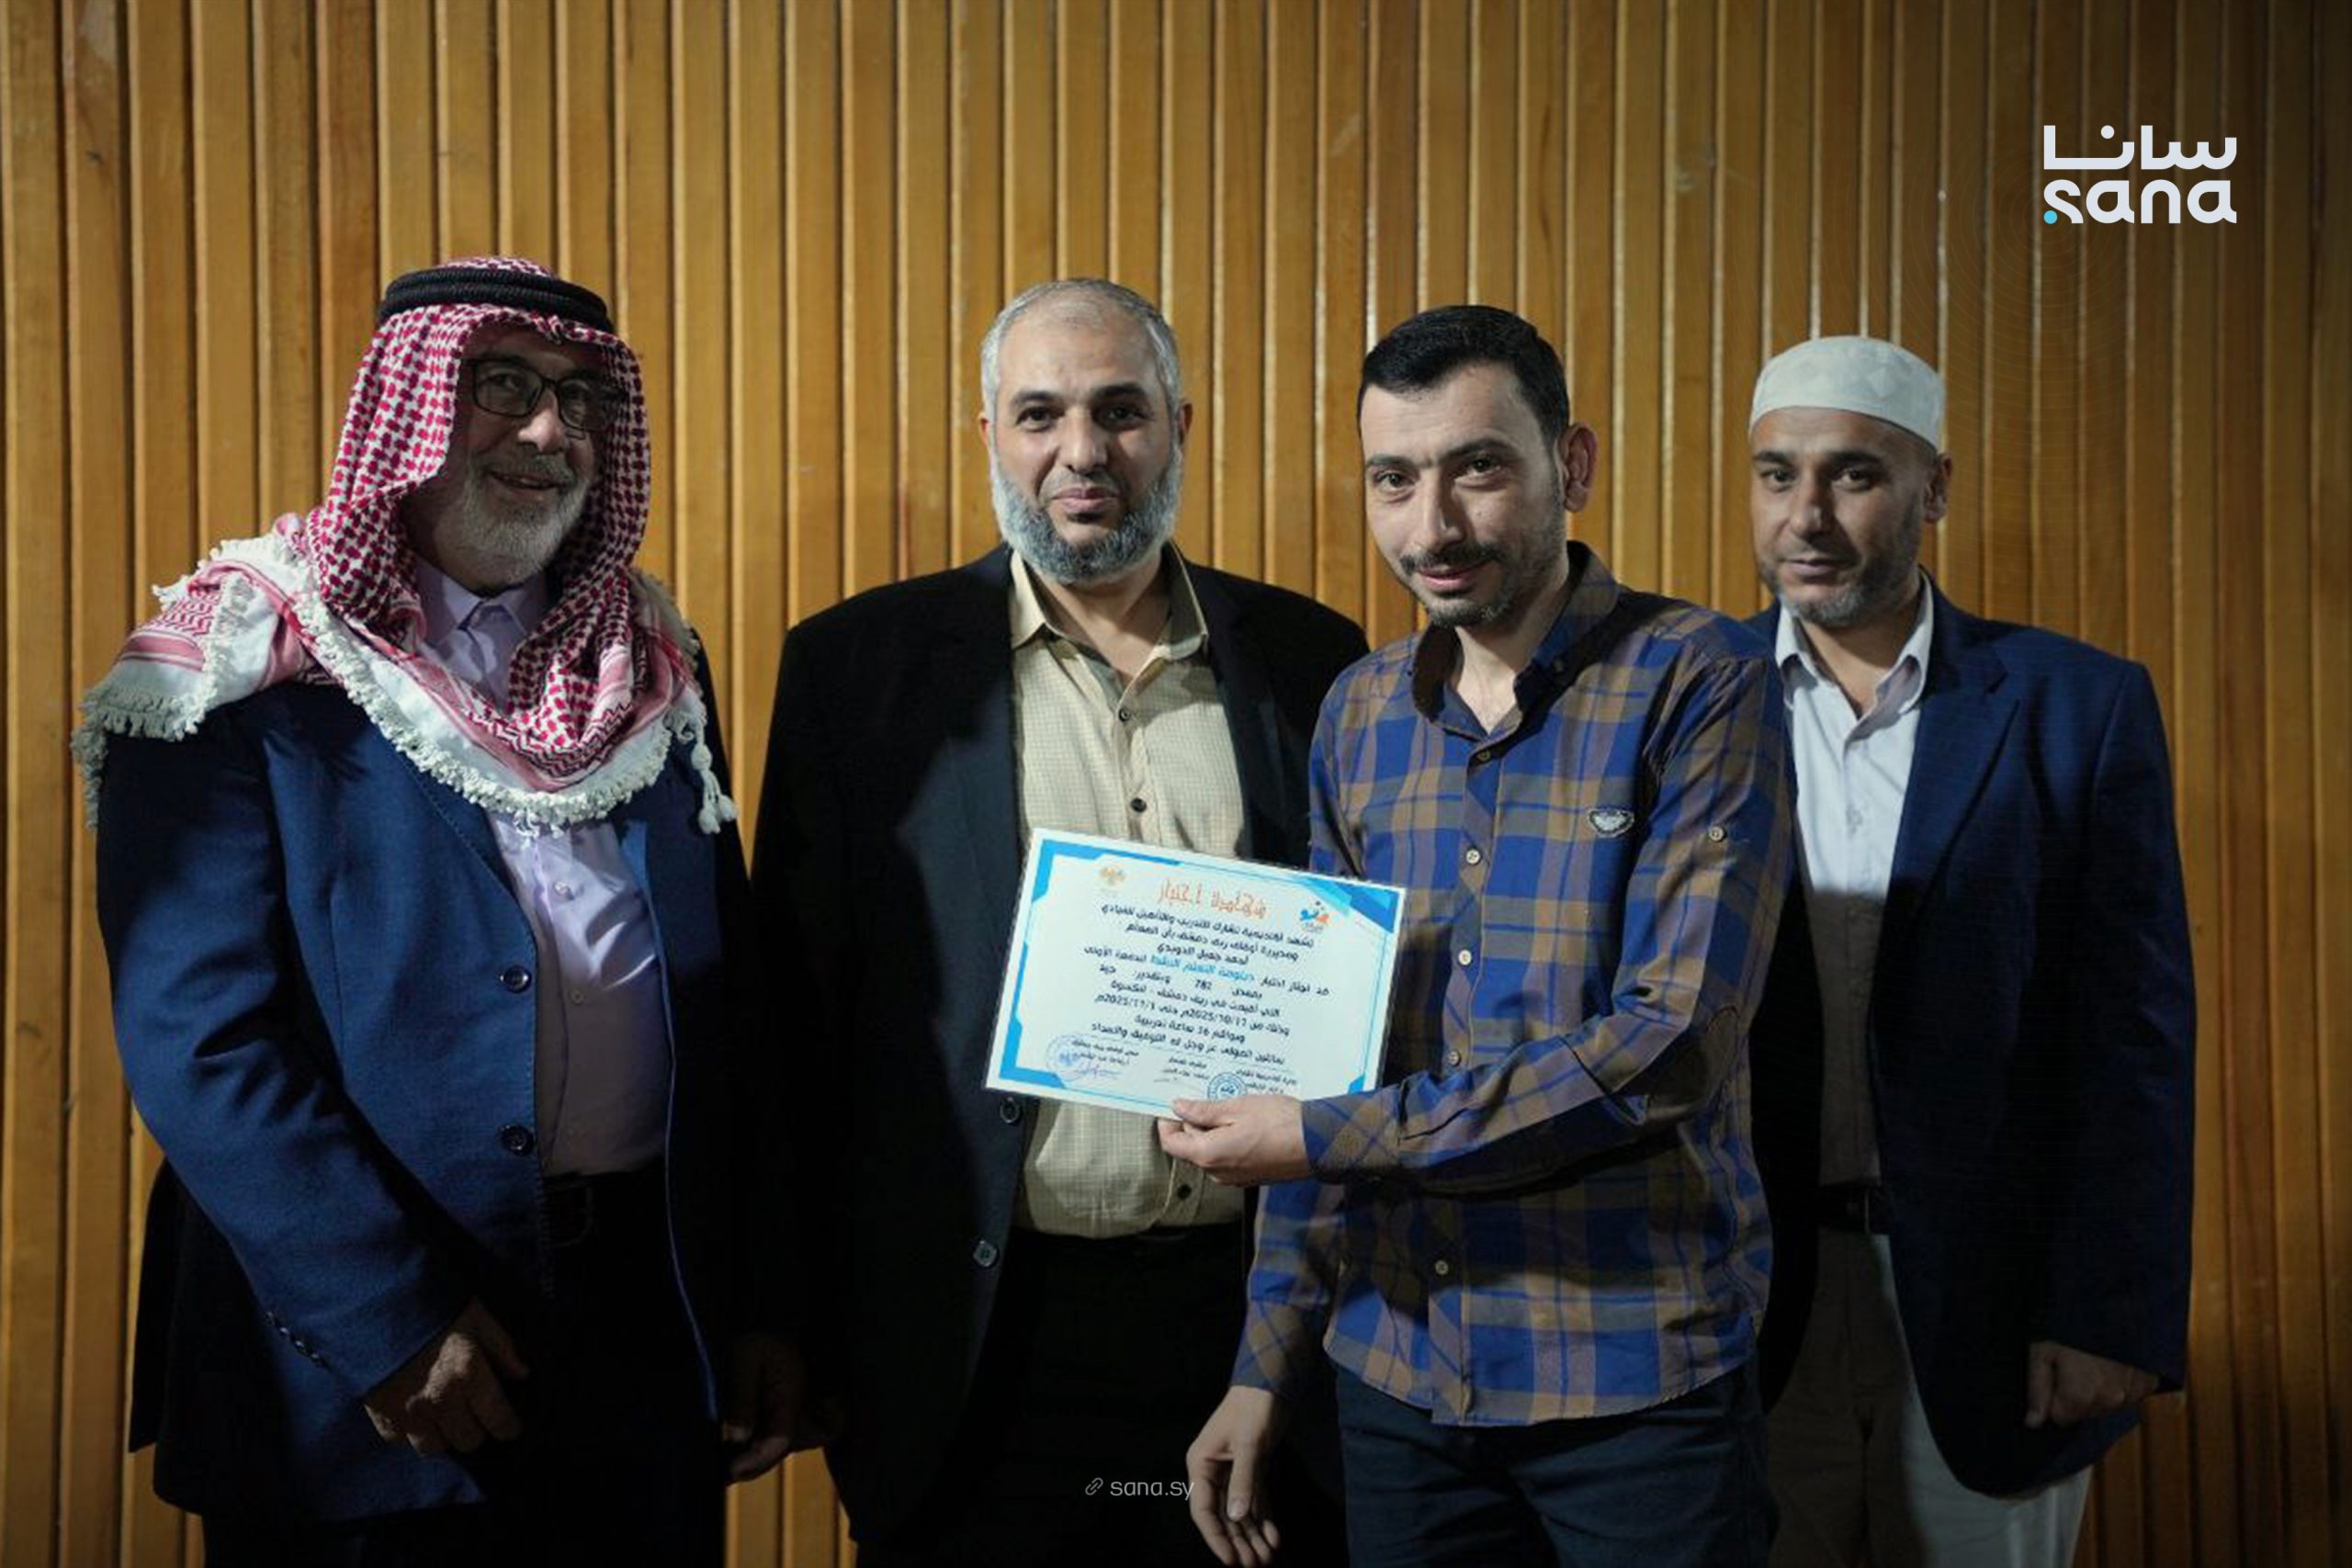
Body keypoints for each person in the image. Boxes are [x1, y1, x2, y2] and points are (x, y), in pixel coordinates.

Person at [81, 257, 802, 1566]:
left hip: (644, 1330)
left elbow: (728, 999)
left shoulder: (648, 655)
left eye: (582, 399)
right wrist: (386, 1318)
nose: (550, 431)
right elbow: (200, 1039)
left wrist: (757, 1300)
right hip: (369, 1359)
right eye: (501, 385)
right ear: (405, 409)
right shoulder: (239, 652)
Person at [1165, 304, 1792, 1568]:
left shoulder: (1701, 677)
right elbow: (1322, 1061)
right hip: (1397, 1377)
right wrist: (1264, 1364)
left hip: (1635, 1384)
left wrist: (1329, 1133)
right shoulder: (1358, 715)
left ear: (1575, 463)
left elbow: (1668, 1047)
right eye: (1394, 480)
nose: (1433, 527)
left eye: (1478, 469)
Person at [753, 277, 1363, 1567]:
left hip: (1249, 1326)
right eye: (1040, 414)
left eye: (1120, 411)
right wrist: (780, 1318)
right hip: (975, 1337)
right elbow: (793, 1026)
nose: (1081, 452)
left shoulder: (1316, 659)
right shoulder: (857, 672)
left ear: (1181, 426)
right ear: (990, 433)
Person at [1740, 335, 2195, 1567]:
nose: (1807, 516)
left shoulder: (2074, 706)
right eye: (1778, 474)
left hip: (1994, 1310)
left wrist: (2109, 1313)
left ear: (1933, 488)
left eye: (1853, 475)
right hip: (1744, 1309)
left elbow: (2133, 1041)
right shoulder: (1682, 698)